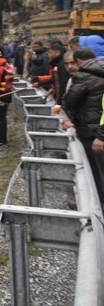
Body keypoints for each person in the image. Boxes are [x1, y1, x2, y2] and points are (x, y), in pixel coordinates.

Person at [61, 48, 104, 203]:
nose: (71, 67)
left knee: (96, 174)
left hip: (93, 134)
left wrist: (101, 136)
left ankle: (98, 210)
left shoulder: (84, 76)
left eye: (73, 63)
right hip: (96, 131)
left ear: (79, 61)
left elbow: (69, 101)